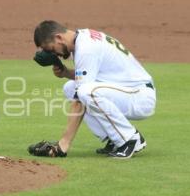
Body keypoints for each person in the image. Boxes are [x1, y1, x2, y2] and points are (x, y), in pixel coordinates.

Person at [32, 20, 156, 159]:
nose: (54, 54)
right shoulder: (82, 38)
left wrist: (63, 144)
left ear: (59, 38)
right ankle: (113, 138)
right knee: (70, 88)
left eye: (51, 49)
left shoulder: (86, 49)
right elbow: (90, 75)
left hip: (139, 97)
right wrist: (66, 73)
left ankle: (130, 139)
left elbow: (80, 99)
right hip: (125, 91)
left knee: (85, 92)